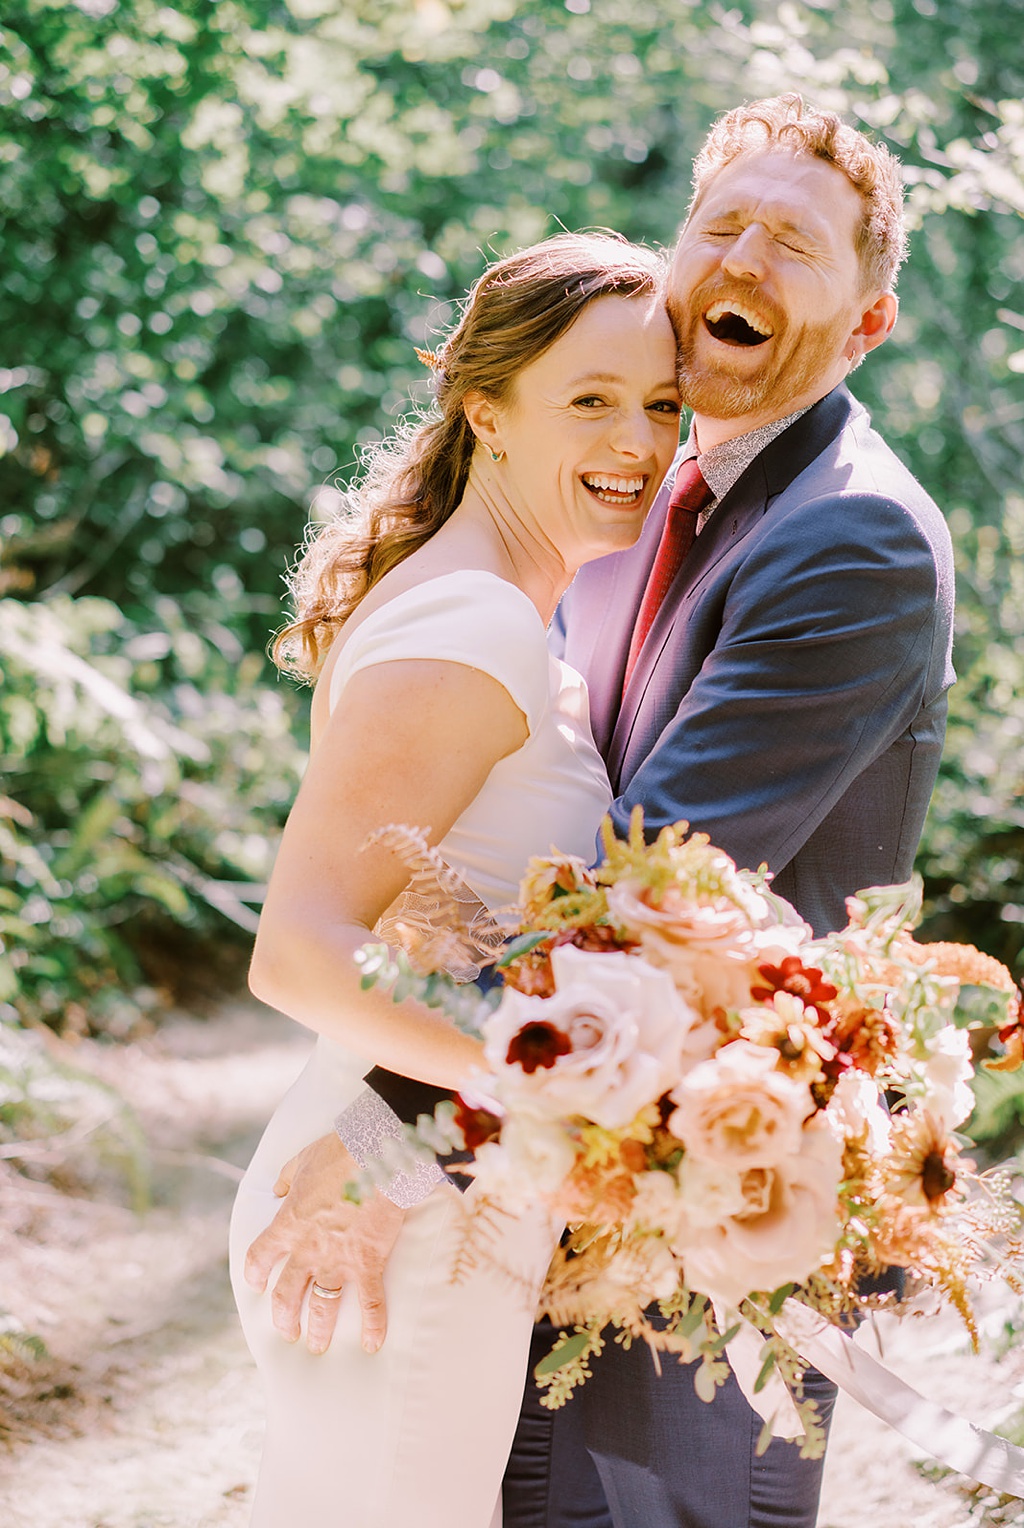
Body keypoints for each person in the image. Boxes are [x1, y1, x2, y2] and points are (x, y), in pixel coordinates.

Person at [244, 94, 956, 1528]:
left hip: (714, 1203)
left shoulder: (850, 533)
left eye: (796, 244)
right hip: (539, 1166)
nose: (745, 258)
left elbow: (655, 886)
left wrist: (396, 1127)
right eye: (724, 225)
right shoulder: (629, 507)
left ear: (866, 323)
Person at [228, 231, 682, 1528]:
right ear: (485, 408)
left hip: (419, 1181)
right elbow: (298, 950)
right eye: (589, 399)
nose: (636, 440)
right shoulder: (478, 625)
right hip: (398, 1207)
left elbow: (448, 932)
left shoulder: (489, 603)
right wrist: (480, 1111)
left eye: (661, 405)